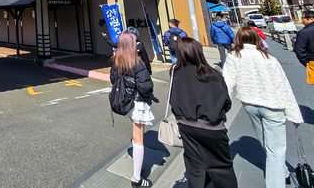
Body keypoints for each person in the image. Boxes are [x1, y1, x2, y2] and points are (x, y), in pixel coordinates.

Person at [223, 27, 302, 188]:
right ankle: (276, 183)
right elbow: (283, 86)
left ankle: (283, 172)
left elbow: (227, 84)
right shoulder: (268, 58)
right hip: (273, 106)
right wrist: (294, 114)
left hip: (250, 104)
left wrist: (222, 108)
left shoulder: (234, 56)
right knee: (276, 150)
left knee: (266, 142)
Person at [169, 37, 237, 188]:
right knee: (221, 167)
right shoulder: (213, 74)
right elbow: (226, 102)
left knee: (195, 167)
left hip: (185, 126)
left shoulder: (175, 72)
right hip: (213, 127)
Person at [109, 32, 155, 187]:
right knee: (138, 139)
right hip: (137, 103)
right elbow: (145, 86)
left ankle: (138, 167)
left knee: (136, 136)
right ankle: (136, 178)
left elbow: (113, 79)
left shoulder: (116, 61)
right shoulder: (137, 62)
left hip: (126, 103)